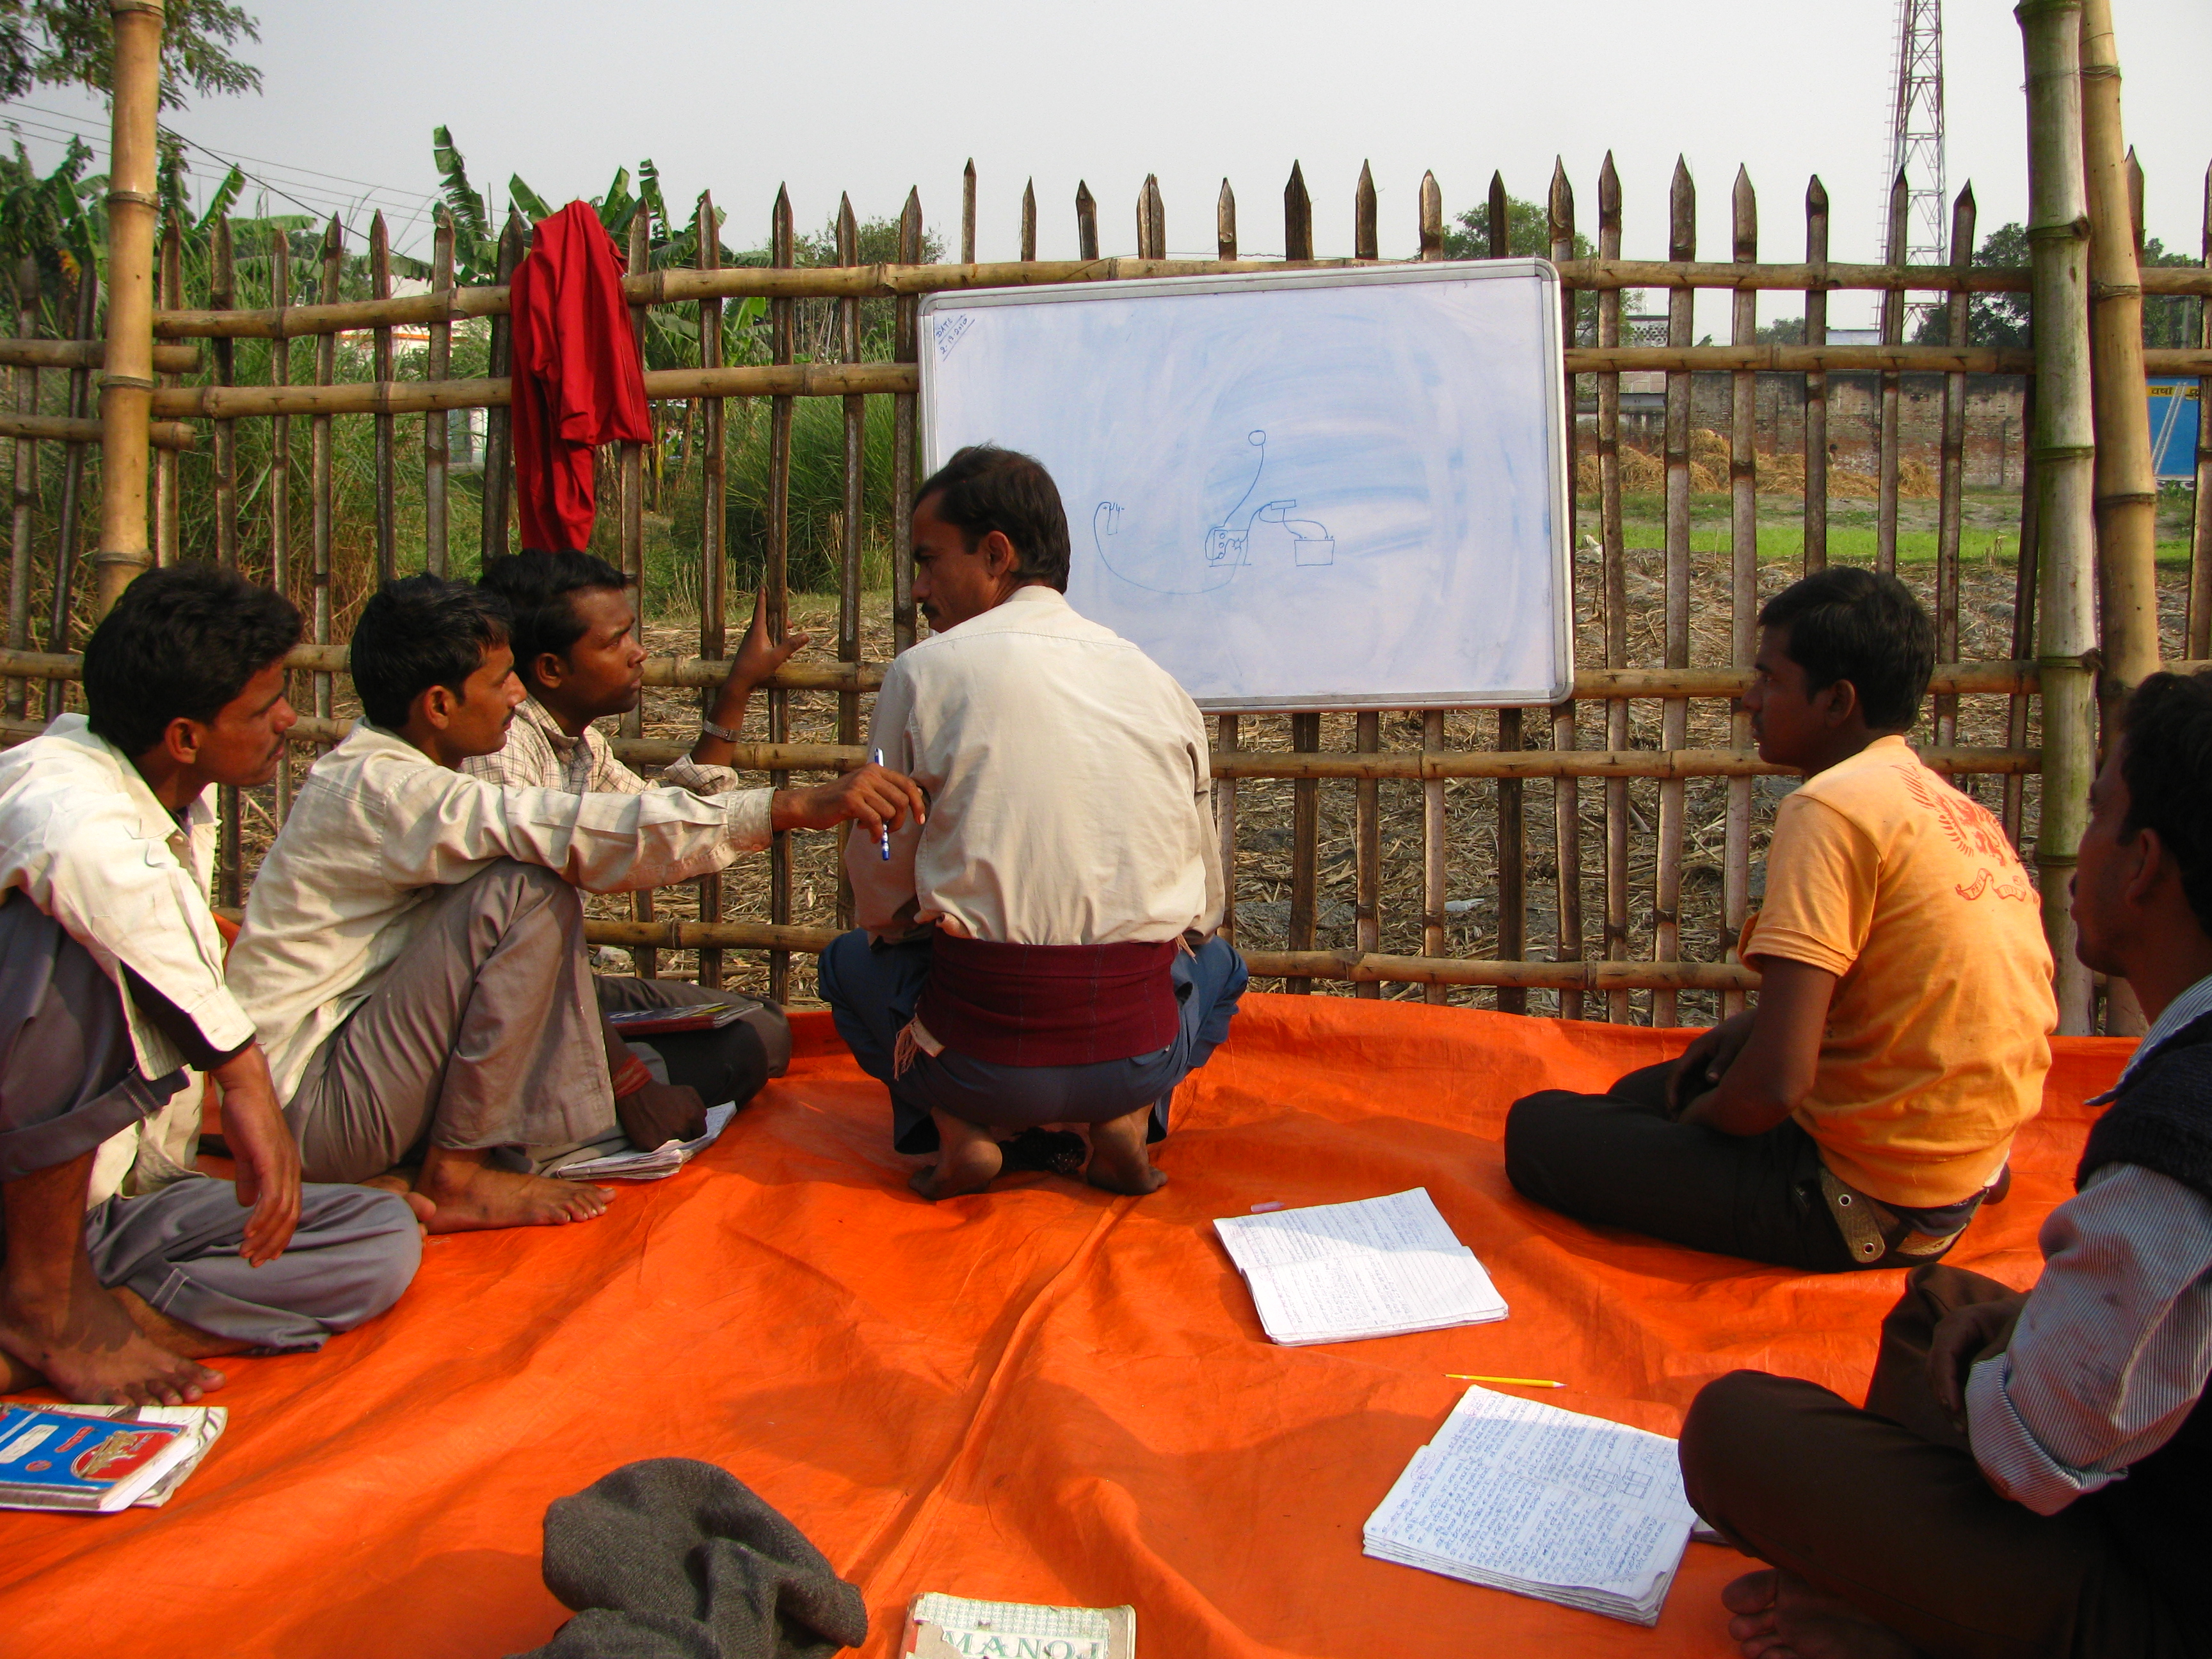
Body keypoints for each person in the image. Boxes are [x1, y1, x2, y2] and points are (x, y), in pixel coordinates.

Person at [1676, 669, 2212, 1659]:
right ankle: (1898, 1587)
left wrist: (1699, 1109)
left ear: (2143, 864)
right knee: (1946, 1310)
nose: (1750, 698)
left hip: (2166, 1596)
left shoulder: (2179, 1151)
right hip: (1946, 1221)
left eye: (2097, 810)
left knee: (1732, 1429)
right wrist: (2019, 1337)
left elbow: (2036, 1448)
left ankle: (1902, 1622)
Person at [227, 574, 922, 1235]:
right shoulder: (393, 791)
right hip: (313, 1103)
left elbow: (638, 818)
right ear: (439, 705)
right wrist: (793, 805)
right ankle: (461, 1169)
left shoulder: (465, 764)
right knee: (528, 888)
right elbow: (570, 836)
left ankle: (446, 1157)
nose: (513, 696)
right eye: (500, 681)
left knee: (756, 1031)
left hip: (370, 1075)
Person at [1505, 568, 2055, 1270]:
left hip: (1859, 1204)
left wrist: (1708, 1127)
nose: (1749, 699)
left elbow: (1775, 1087)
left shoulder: (1829, 811)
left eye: (1770, 679)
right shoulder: (1946, 805)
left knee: (1539, 1130)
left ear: (1837, 701)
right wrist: (1748, 1031)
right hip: (1961, 1167)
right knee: (1643, 1096)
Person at [0, 566, 421, 1406]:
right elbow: (81, 860)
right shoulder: (51, 786)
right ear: (186, 736)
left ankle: (55, 1337)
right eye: (265, 703)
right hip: (19, 1214)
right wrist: (242, 1073)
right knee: (66, 947)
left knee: (380, 1240)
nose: (288, 719)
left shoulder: (176, 797)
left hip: (110, 1213)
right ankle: (49, 1311)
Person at [817, 445, 1247, 1201]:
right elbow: (1204, 909)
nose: (919, 589)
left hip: (977, 1063)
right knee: (1225, 970)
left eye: (927, 561)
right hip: (1136, 1051)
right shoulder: (1159, 684)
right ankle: (1123, 1124)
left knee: (848, 965)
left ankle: (960, 1135)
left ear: (996, 554)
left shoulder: (923, 673)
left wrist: (917, 925)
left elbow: (881, 879)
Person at [467, 550, 797, 1114]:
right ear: (550, 670)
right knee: (739, 1051)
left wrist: (738, 687)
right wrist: (791, 807)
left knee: (762, 1024)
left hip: (559, 988)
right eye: (615, 641)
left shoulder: (578, 744)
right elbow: (514, 950)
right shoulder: (501, 753)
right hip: (505, 1007)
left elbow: (666, 812)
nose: (638, 653)